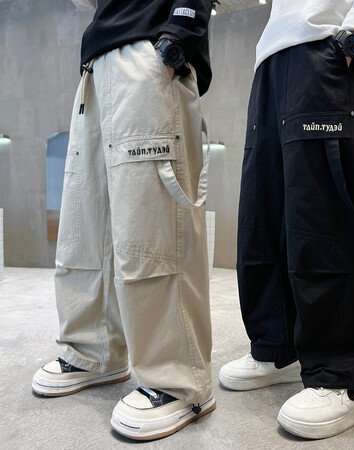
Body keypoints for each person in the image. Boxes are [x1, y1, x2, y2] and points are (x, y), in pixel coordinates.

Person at [220, 0, 354, 440]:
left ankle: (350, 376)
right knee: (264, 218)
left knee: (326, 222)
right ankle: (277, 347)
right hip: (270, 61)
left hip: (328, 47)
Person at [32, 0, 216, 441]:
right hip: (97, 63)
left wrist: (180, 33)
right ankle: (95, 351)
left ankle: (179, 379)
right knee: (86, 225)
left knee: (152, 228)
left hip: (150, 51)